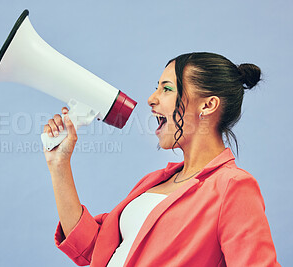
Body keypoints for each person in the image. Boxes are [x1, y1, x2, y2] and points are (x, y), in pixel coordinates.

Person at [42, 52, 280, 266]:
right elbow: (92, 249)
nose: (151, 98)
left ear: (208, 105)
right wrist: (59, 165)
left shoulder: (233, 186)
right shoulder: (154, 181)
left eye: (166, 89)